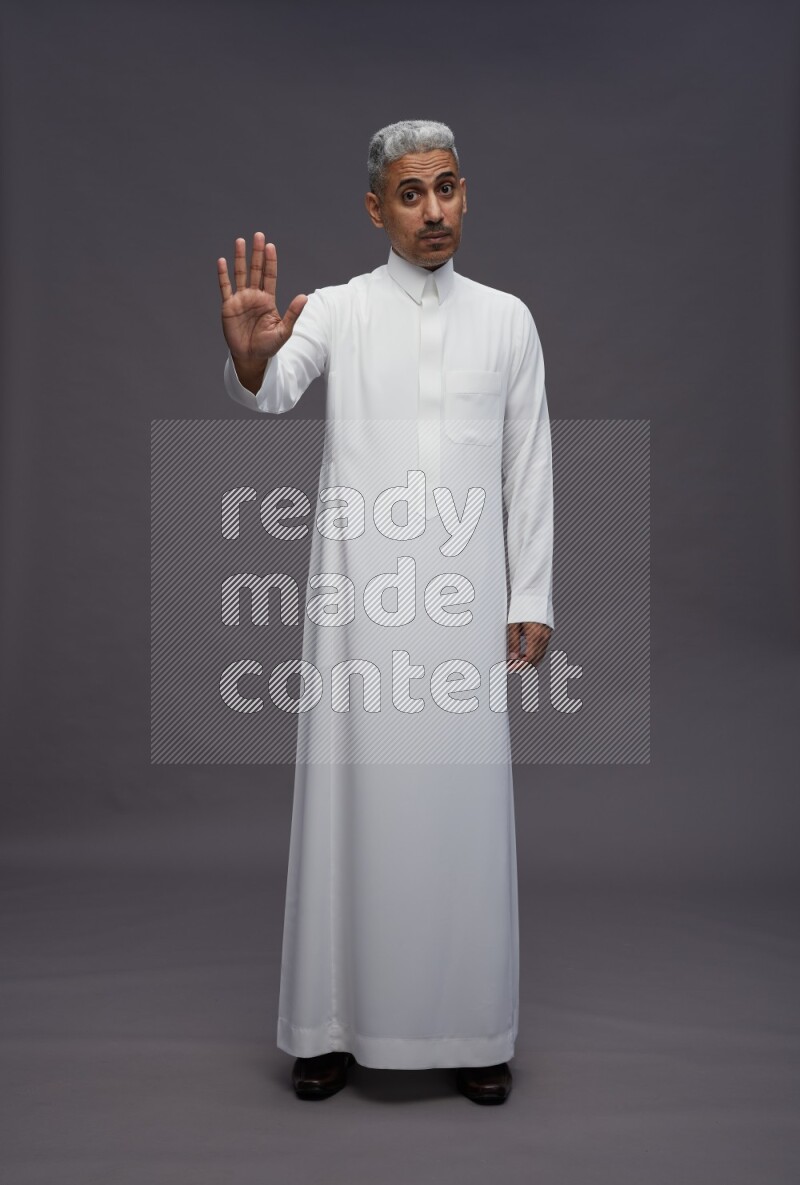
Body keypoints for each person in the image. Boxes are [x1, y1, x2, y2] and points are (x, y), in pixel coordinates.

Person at [216, 120, 554, 1105]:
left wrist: (528, 591)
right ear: (376, 209)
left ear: (464, 193)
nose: (434, 210)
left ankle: (472, 1027)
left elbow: (527, 464)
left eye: (447, 188)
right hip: (360, 602)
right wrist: (246, 355)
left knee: (461, 810)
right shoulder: (341, 311)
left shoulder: (506, 319)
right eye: (411, 194)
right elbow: (272, 389)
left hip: (461, 608)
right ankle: (328, 1028)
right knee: (347, 802)